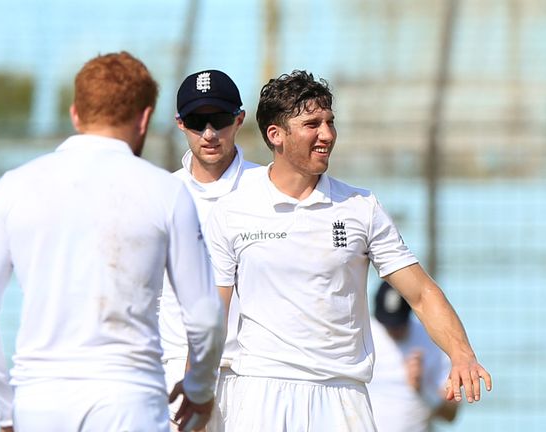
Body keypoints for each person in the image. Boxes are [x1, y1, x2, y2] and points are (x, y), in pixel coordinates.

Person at [205, 70, 492, 431]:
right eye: (312, 124)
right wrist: (197, 391)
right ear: (275, 135)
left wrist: (461, 354)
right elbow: (212, 313)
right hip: (260, 393)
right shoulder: (233, 209)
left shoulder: (361, 206)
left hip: (342, 397)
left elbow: (420, 293)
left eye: (329, 122)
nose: (327, 134)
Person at [0, 51, 224, 432]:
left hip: (40, 400)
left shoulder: (13, 187)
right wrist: (199, 389)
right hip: (129, 399)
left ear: (75, 114)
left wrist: (7, 409)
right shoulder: (166, 191)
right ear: (145, 117)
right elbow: (204, 314)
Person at [158, 69, 259, 431]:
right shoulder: (161, 195)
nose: (210, 134)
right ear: (180, 123)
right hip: (175, 375)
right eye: (198, 122)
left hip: (254, 376)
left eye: (219, 120)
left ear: (239, 119)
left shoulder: (266, 188)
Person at [368, 281, 459, 432]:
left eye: (398, 324)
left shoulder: (431, 340)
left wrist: (422, 387)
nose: (394, 330)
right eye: (388, 324)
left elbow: (451, 414)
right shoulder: (360, 335)